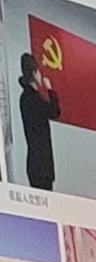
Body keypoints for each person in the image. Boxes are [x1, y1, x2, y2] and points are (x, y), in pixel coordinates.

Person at [16, 54, 53, 191]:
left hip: (34, 162)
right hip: (42, 164)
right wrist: (50, 89)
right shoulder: (34, 98)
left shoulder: (24, 97)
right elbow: (55, 111)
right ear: (34, 72)